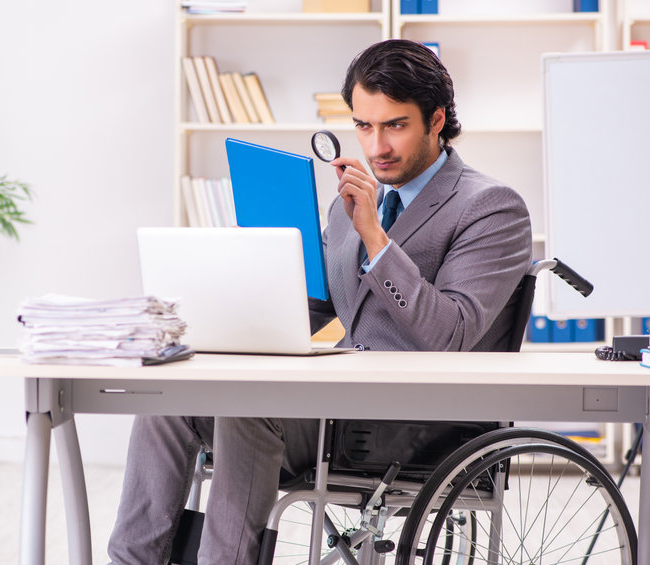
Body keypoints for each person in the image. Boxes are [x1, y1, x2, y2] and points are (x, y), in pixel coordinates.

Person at [107, 39, 532, 565]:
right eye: (363, 125)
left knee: (248, 408)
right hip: (340, 405)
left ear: (436, 119)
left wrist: (377, 238)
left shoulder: (491, 207)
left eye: (394, 125)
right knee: (171, 403)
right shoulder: (348, 206)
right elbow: (322, 308)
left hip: (422, 421)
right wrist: (232, 307)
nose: (376, 146)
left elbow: (450, 335)